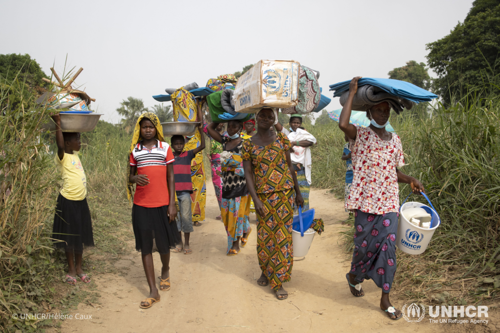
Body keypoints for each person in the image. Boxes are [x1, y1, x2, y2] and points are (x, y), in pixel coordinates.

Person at [339, 77, 425, 320]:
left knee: (387, 247)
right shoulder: (361, 135)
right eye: (378, 109)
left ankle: (385, 298)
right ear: (369, 111)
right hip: (366, 202)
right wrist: (354, 91)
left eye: (386, 111)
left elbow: (393, 172)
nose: (383, 114)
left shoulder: (395, 140)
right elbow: (343, 124)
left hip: (388, 202)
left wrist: (410, 179)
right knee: (363, 247)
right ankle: (355, 276)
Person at [242, 108, 304, 300]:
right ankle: (266, 270)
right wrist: (256, 199)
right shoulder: (248, 144)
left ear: (274, 119)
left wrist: (298, 192)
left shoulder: (281, 139)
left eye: (270, 116)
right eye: (263, 115)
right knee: (265, 236)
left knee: (282, 237)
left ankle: (278, 280)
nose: (266, 119)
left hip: (285, 195)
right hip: (263, 197)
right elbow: (248, 174)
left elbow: (289, 167)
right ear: (256, 117)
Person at [127, 112, 179, 309]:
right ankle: (153, 290)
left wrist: (172, 204)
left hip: (162, 204)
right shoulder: (135, 150)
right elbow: (130, 176)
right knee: (146, 246)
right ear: (139, 129)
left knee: (164, 244)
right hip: (141, 204)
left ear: (156, 128)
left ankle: (165, 270)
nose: (147, 130)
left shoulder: (164, 148)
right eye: (144, 127)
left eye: (151, 126)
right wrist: (134, 179)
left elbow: (171, 177)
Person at [51, 114, 94, 286]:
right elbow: (59, 144)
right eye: (77, 139)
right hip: (67, 201)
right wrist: (58, 123)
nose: (80, 141)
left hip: (81, 201)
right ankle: (70, 269)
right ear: (68, 143)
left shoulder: (75, 155)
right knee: (69, 237)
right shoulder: (63, 155)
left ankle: (79, 268)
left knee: (80, 235)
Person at [207, 120, 251, 256]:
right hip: (227, 184)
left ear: (240, 127)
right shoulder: (225, 141)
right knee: (226, 216)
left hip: (241, 185)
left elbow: (250, 164)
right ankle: (246, 229)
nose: (231, 129)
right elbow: (209, 128)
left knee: (236, 216)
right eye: (229, 126)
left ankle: (235, 243)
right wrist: (219, 116)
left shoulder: (246, 142)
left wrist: (235, 167)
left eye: (235, 126)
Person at [171, 89, 206, 226]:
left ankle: (195, 218)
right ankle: (181, 218)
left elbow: (200, 125)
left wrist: (198, 105)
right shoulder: (179, 140)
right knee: (181, 193)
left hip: (195, 163)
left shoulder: (196, 132)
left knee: (197, 189)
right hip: (183, 169)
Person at [171, 127, 206, 254]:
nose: (179, 146)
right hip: (173, 194)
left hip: (185, 192)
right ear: (172, 145)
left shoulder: (188, 154)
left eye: (181, 143)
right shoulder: (169, 157)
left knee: (186, 218)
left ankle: (186, 244)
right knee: (176, 219)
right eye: (176, 144)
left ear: (184, 144)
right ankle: (179, 243)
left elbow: (202, 145)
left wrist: (201, 131)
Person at [275, 114, 316, 212]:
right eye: (293, 122)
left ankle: (303, 219)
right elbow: (276, 124)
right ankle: (292, 221)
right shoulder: (286, 133)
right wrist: (275, 110)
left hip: (302, 170)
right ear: (290, 123)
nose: (296, 124)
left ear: (300, 124)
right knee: (290, 196)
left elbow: (311, 142)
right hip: (290, 169)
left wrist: (294, 143)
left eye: (298, 123)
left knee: (303, 195)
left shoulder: (304, 134)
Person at [204, 122, 224, 220]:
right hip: (215, 167)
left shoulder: (228, 134)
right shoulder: (211, 135)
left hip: (226, 166)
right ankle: (223, 211)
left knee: (226, 189)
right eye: (217, 121)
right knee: (218, 189)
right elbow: (204, 125)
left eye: (221, 122)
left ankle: (229, 211)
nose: (219, 124)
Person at [342, 133, 353, 214]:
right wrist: (348, 156)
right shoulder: (346, 146)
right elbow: (343, 157)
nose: (346, 137)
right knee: (348, 192)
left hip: (358, 173)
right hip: (349, 172)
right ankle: (350, 214)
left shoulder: (358, 145)